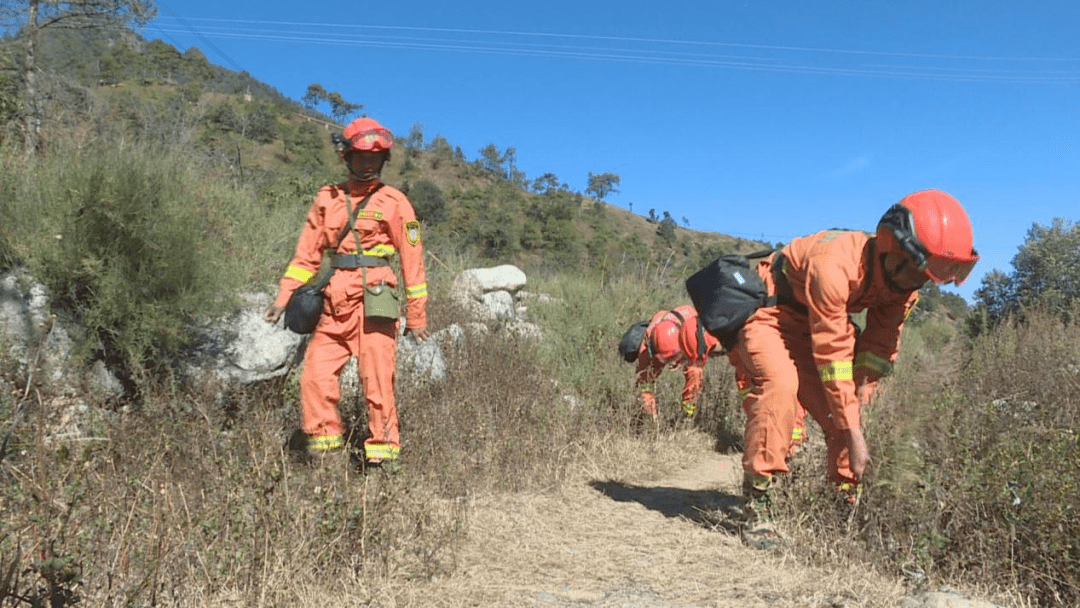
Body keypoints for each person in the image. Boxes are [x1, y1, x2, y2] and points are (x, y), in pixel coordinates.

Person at [727, 189, 978, 535]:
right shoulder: (833, 264)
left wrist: (859, 406)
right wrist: (855, 433)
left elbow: (878, 348)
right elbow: (833, 355)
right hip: (770, 314)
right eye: (921, 271)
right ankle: (757, 507)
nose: (922, 282)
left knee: (846, 419)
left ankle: (842, 506)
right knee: (781, 387)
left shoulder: (903, 288)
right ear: (893, 250)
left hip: (812, 326)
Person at [263, 117, 429, 469]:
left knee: (378, 382)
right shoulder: (328, 198)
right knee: (314, 378)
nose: (368, 164)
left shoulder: (396, 202)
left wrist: (416, 317)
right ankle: (327, 457)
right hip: (334, 302)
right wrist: (283, 298)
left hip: (375, 302)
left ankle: (383, 460)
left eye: (375, 158)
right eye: (362, 157)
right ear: (346, 156)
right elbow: (306, 255)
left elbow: (413, 263)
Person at [633, 304, 720, 421]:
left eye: (671, 358)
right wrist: (651, 416)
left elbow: (696, 371)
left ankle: (688, 414)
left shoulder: (693, 326)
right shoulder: (646, 348)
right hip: (660, 345)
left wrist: (688, 412)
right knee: (645, 380)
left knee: (694, 371)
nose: (668, 362)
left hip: (687, 336)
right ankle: (647, 415)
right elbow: (644, 384)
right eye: (666, 360)